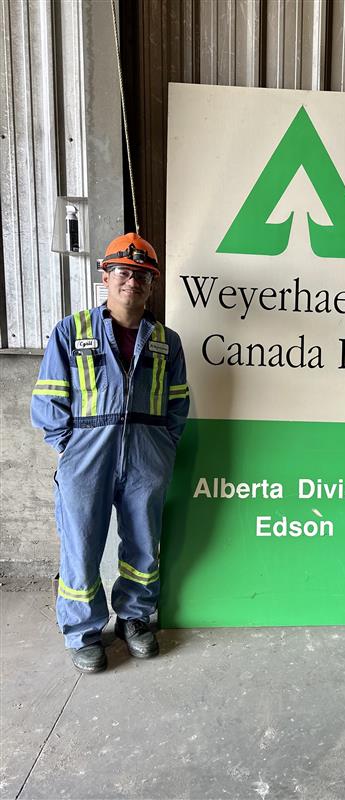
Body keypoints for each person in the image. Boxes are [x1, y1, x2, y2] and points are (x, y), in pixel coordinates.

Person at [31, 233, 190, 673]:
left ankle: (135, 619)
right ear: (105, 277)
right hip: (86, 454)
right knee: (81, 547)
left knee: (143, 543)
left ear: (152, 285)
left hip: (147, 455)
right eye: (123, 272)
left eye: (142, 275)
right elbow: (48, 400)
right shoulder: (71, 330)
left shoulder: (166, 341)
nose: (132, 281)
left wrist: (161, 446)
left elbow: (178, 402)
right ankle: (82, 632)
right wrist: (70, 447)